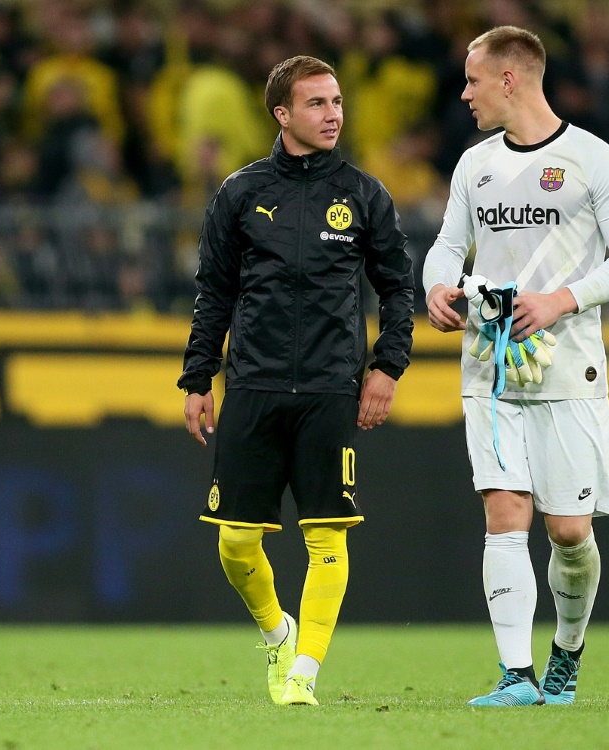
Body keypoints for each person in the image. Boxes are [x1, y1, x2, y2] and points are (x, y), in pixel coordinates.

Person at [423, 26, 609, 707]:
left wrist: (560, 300)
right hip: (490, 368)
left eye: (472, 80)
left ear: (510, 80)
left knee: (569, 532)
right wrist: (436, 286)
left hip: (569, 371)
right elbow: (446, 246)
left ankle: (567, 652)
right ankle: (515, 676)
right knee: (504, 512)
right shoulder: (474, 166)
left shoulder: (597, 161)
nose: (464, 93)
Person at [178, 55, 414, 707]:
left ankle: (303, 673)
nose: (333, 113)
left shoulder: (366, 194)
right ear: (282, 114)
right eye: (316, 103)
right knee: (235, 543)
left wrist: (386, 367)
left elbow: (398, 290)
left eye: (337, 101)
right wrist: (199, 378)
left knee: (326, 534)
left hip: (330, 389)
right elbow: (213, 293)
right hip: (251, 386)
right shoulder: (241, 192)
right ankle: (278, 632)